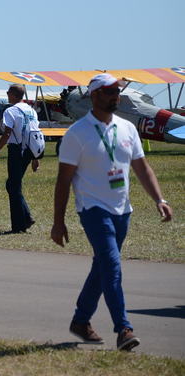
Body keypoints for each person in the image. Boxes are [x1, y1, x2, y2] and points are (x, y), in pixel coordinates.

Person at [52, 74, 172, 352]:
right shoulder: (77, 133)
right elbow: (63, 181)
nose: (114, 96)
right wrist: (59, 222)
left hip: (123, 211)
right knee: (112, 267)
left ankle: (81, 320)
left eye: (116, 91)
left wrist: (159, 199)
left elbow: (142, 167)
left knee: (103, 267)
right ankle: (124, 329)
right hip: (93, 210)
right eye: (108, 92)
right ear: (93, 96)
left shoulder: (128, 128)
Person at [0, 84, 41, 233]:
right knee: (13, 184)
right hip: (29, 150)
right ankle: (25, 217)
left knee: (14, 185)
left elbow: (7, 133)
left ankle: (19, 225)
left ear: (13, 95)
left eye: (8, 92)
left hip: (16, 150)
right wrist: (35, 157)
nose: (6, 94)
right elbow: (35, 132)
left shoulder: (10, 111)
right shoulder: (31, 110)